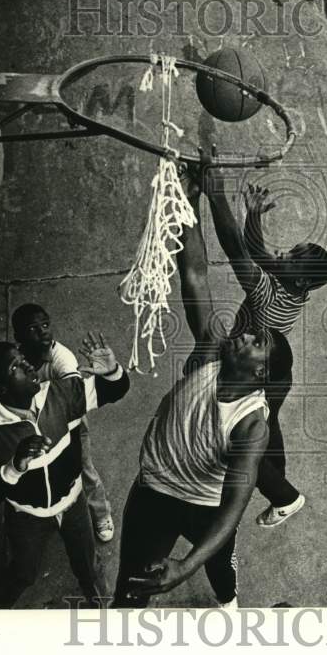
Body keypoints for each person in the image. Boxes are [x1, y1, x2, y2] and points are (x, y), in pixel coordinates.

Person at [113, 167, 290, 608]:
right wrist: (190, 203)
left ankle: (227, 599)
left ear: (259, 376)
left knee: (216, 559)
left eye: (257, 342)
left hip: (204, 505)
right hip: (154, 490)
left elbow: (233, 508)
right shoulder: (211, 351)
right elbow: (194, 273)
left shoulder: (252, 427)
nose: (247, 333)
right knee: (132, 587)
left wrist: (184, 566)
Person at [200, 148, 327, 529]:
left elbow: (236, 250)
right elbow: (258, 251)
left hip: (257, 373)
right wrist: (255, 216)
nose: (281, 253)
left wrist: (216, 194)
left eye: (291, 256)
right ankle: (283, 480)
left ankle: (285, 495)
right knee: (269, 421)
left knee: (242, 442)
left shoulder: (268, 295)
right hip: (274, 371)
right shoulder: (296, 287)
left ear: (301, 278)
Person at [0, 332, 129, 607]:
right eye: (15, 367)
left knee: (88, 566)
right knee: (24, 572)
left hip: (74, 502)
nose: (29, 366)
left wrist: (112, 372)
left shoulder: (57, 394)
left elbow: (115, 389)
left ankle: (102, 609)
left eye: (22, 359)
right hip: (28, 516)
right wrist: (13, 467)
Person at [11, 303, 115, 543]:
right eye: (33, 329)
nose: (43, 332)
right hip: (33, 425)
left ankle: (101, 513)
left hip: (71, 426)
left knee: (83, 469)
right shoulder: (16, 360)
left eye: (45, 325)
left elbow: (73, 396)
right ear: (19, 337)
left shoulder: (62, 358)